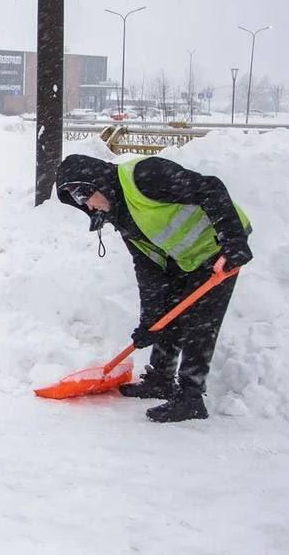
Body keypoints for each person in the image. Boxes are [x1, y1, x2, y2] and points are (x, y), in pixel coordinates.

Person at [55, 153, 252, 423]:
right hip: (187, 257)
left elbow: (211, 187)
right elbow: (149, 270)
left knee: (201, 321)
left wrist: (234, 240)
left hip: (221, 247)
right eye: (77, 200)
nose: (85, 205)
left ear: (96, 182)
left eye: (82, 194)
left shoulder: (143, 176)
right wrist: (149, 322)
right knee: (166, 313)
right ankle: (161, 379)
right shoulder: (121, 215)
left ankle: (191, 397)